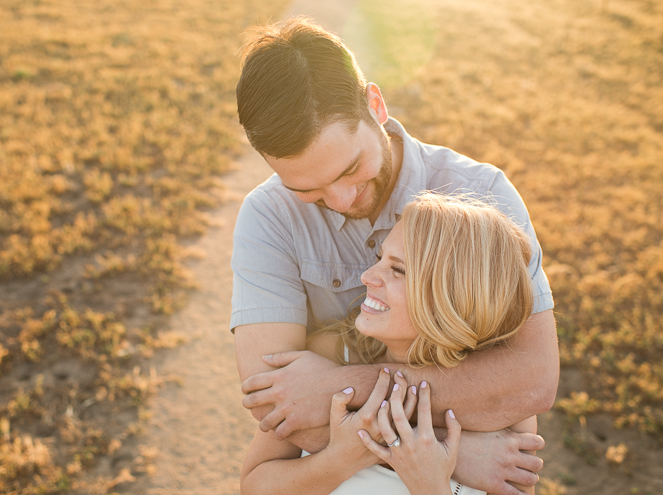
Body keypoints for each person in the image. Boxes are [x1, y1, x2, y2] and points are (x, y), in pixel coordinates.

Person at [232, 17, 558, 494]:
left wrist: (351, 386)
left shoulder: (481, 196)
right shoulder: (267, 217)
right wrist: (454, 450)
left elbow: (529, 383)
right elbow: (282, 410)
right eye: (307, 188)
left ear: (375, 105)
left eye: (351, 168)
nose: (341, 200)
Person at [240, 194, 538, 495]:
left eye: (398, 270)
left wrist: (430, 485)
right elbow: (255, 485)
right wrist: (339, 460)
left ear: (455, 299)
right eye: (379, 259)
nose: (367, 277)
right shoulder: (327, 358)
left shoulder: (503, 407)